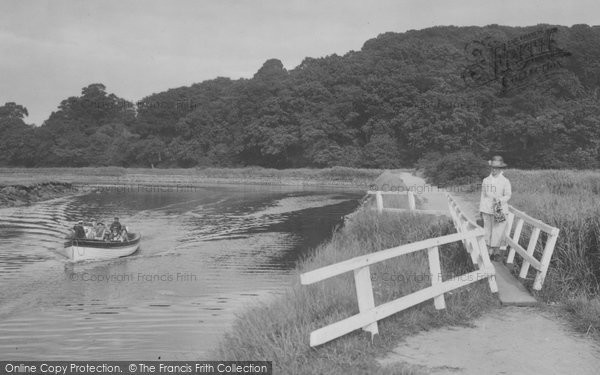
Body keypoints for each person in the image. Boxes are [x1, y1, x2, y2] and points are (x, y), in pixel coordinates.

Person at [479, 155, 512, 261]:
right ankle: (489, 252)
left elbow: (508, 195)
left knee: (498, 230)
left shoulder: (505, 181)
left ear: (500, 169)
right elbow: (483, 195)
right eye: (492, 167)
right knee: (488, 230)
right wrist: (481, 209)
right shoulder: (486, 180)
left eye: (496, 168)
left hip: (499, 209)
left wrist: (500, 200)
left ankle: (496, 252)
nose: (494, 170)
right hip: (487, 209)